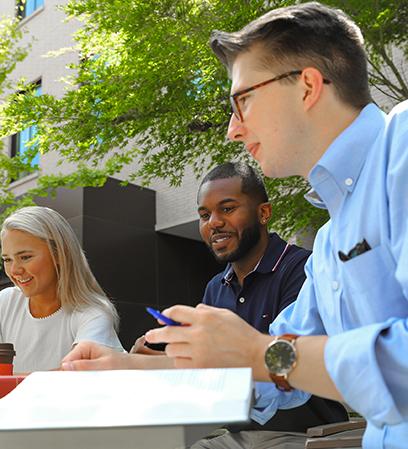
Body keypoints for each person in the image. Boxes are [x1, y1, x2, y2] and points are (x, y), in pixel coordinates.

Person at [137, 3, 407, 448]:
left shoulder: (404, 147)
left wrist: (258, 352)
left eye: (241, 100)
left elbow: (273, 356)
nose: (232, 130)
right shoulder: (328, 243)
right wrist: (136, 372)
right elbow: (280, 364)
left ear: (306, 86)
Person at [62, 162, 348, 447]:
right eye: (204, 214)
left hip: (306, 434)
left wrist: (136, 365)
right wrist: (157, 361)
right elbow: (206, 369)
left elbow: (283, 370)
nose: (213, 222)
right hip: (234, 434)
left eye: (227, 208)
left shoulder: (302, 269)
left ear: (264, 213)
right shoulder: (216, 287)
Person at [0, 206, 124, 375]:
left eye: (25, 257)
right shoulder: (5, 301)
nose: (14, 270)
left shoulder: (93, 312)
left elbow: (77, 372)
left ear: (60, 254)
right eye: (7, 259)